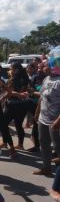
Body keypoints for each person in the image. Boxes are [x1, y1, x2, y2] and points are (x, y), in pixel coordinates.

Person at [33, 47, 60, 176]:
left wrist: (57, 121)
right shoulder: (46, 79)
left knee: (58, 148)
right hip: (43, 119)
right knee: (44, 144)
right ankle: (46, 168)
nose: (42, 68)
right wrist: (37, 112)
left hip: (55, 122)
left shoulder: (59, 82)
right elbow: (42, 96)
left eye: (45, 66)